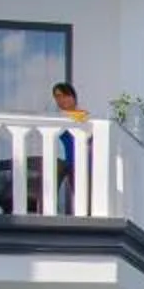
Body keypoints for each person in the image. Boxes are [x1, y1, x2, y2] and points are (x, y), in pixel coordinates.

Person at [48, 81, 87, 214]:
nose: (60, 100)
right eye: (56, 97)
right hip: (71, 162)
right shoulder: (59, 118)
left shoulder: (85, 116)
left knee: (90, 194)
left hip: (88, 160)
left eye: (62, 95)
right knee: (79, 194)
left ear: (72, 96)